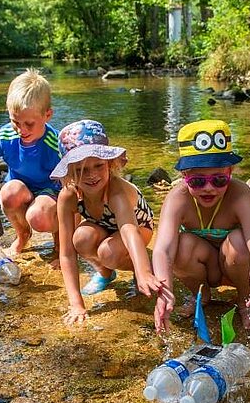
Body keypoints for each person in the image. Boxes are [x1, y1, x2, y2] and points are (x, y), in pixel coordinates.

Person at [152, 119, 250, 334]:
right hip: (204, 267)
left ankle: (246, 299)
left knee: (239, 240)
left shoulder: (240, 194)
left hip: (237, 267)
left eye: (219, 180)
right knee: (181, 246)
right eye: (198, 181)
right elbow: (163, 247)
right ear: (184, 176)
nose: (209, 188)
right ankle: (200, 294)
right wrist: (164, 290)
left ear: (231, 171)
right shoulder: (178, 198)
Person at [51, 120, 165, 325]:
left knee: (108, 253)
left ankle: (144, 269)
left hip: (139, 227)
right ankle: (105, 273)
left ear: (110, 164)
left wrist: (143, 272)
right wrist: (76, 303)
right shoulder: (68, 196)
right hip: (106, 227)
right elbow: (67, 252)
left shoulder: (116, 192)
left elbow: (130, 231)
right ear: (69, 172)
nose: (92, 175)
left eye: (98, 166)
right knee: (81, 238)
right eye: (81, 170)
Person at [0, 69, 61, 259]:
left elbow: (71, 189)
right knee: (9, 193)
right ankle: (22, 235)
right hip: (21, 190)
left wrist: (66, 246)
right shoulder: (6, 136)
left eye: (29, 124)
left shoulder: (55, 143)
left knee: (38, 216)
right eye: (15, 121)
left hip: (51, 193)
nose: (21, 130)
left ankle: (59, 242)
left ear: (47, 115)